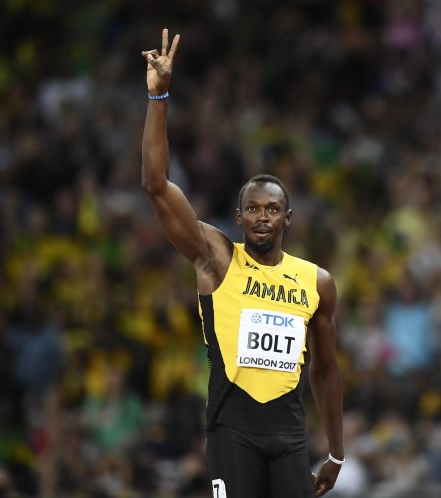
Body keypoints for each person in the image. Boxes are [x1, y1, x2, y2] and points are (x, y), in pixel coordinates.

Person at [140, 29, 344, 498]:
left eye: (272, 209)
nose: (262, 216)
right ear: (238, 217)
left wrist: (335, 451)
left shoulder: (316, 282)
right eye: (252, 208)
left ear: (287, 218)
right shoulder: (217, 258)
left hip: (291, 438)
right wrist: (159, 97)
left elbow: (327, 371)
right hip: (232, 433)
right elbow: (155, 185)